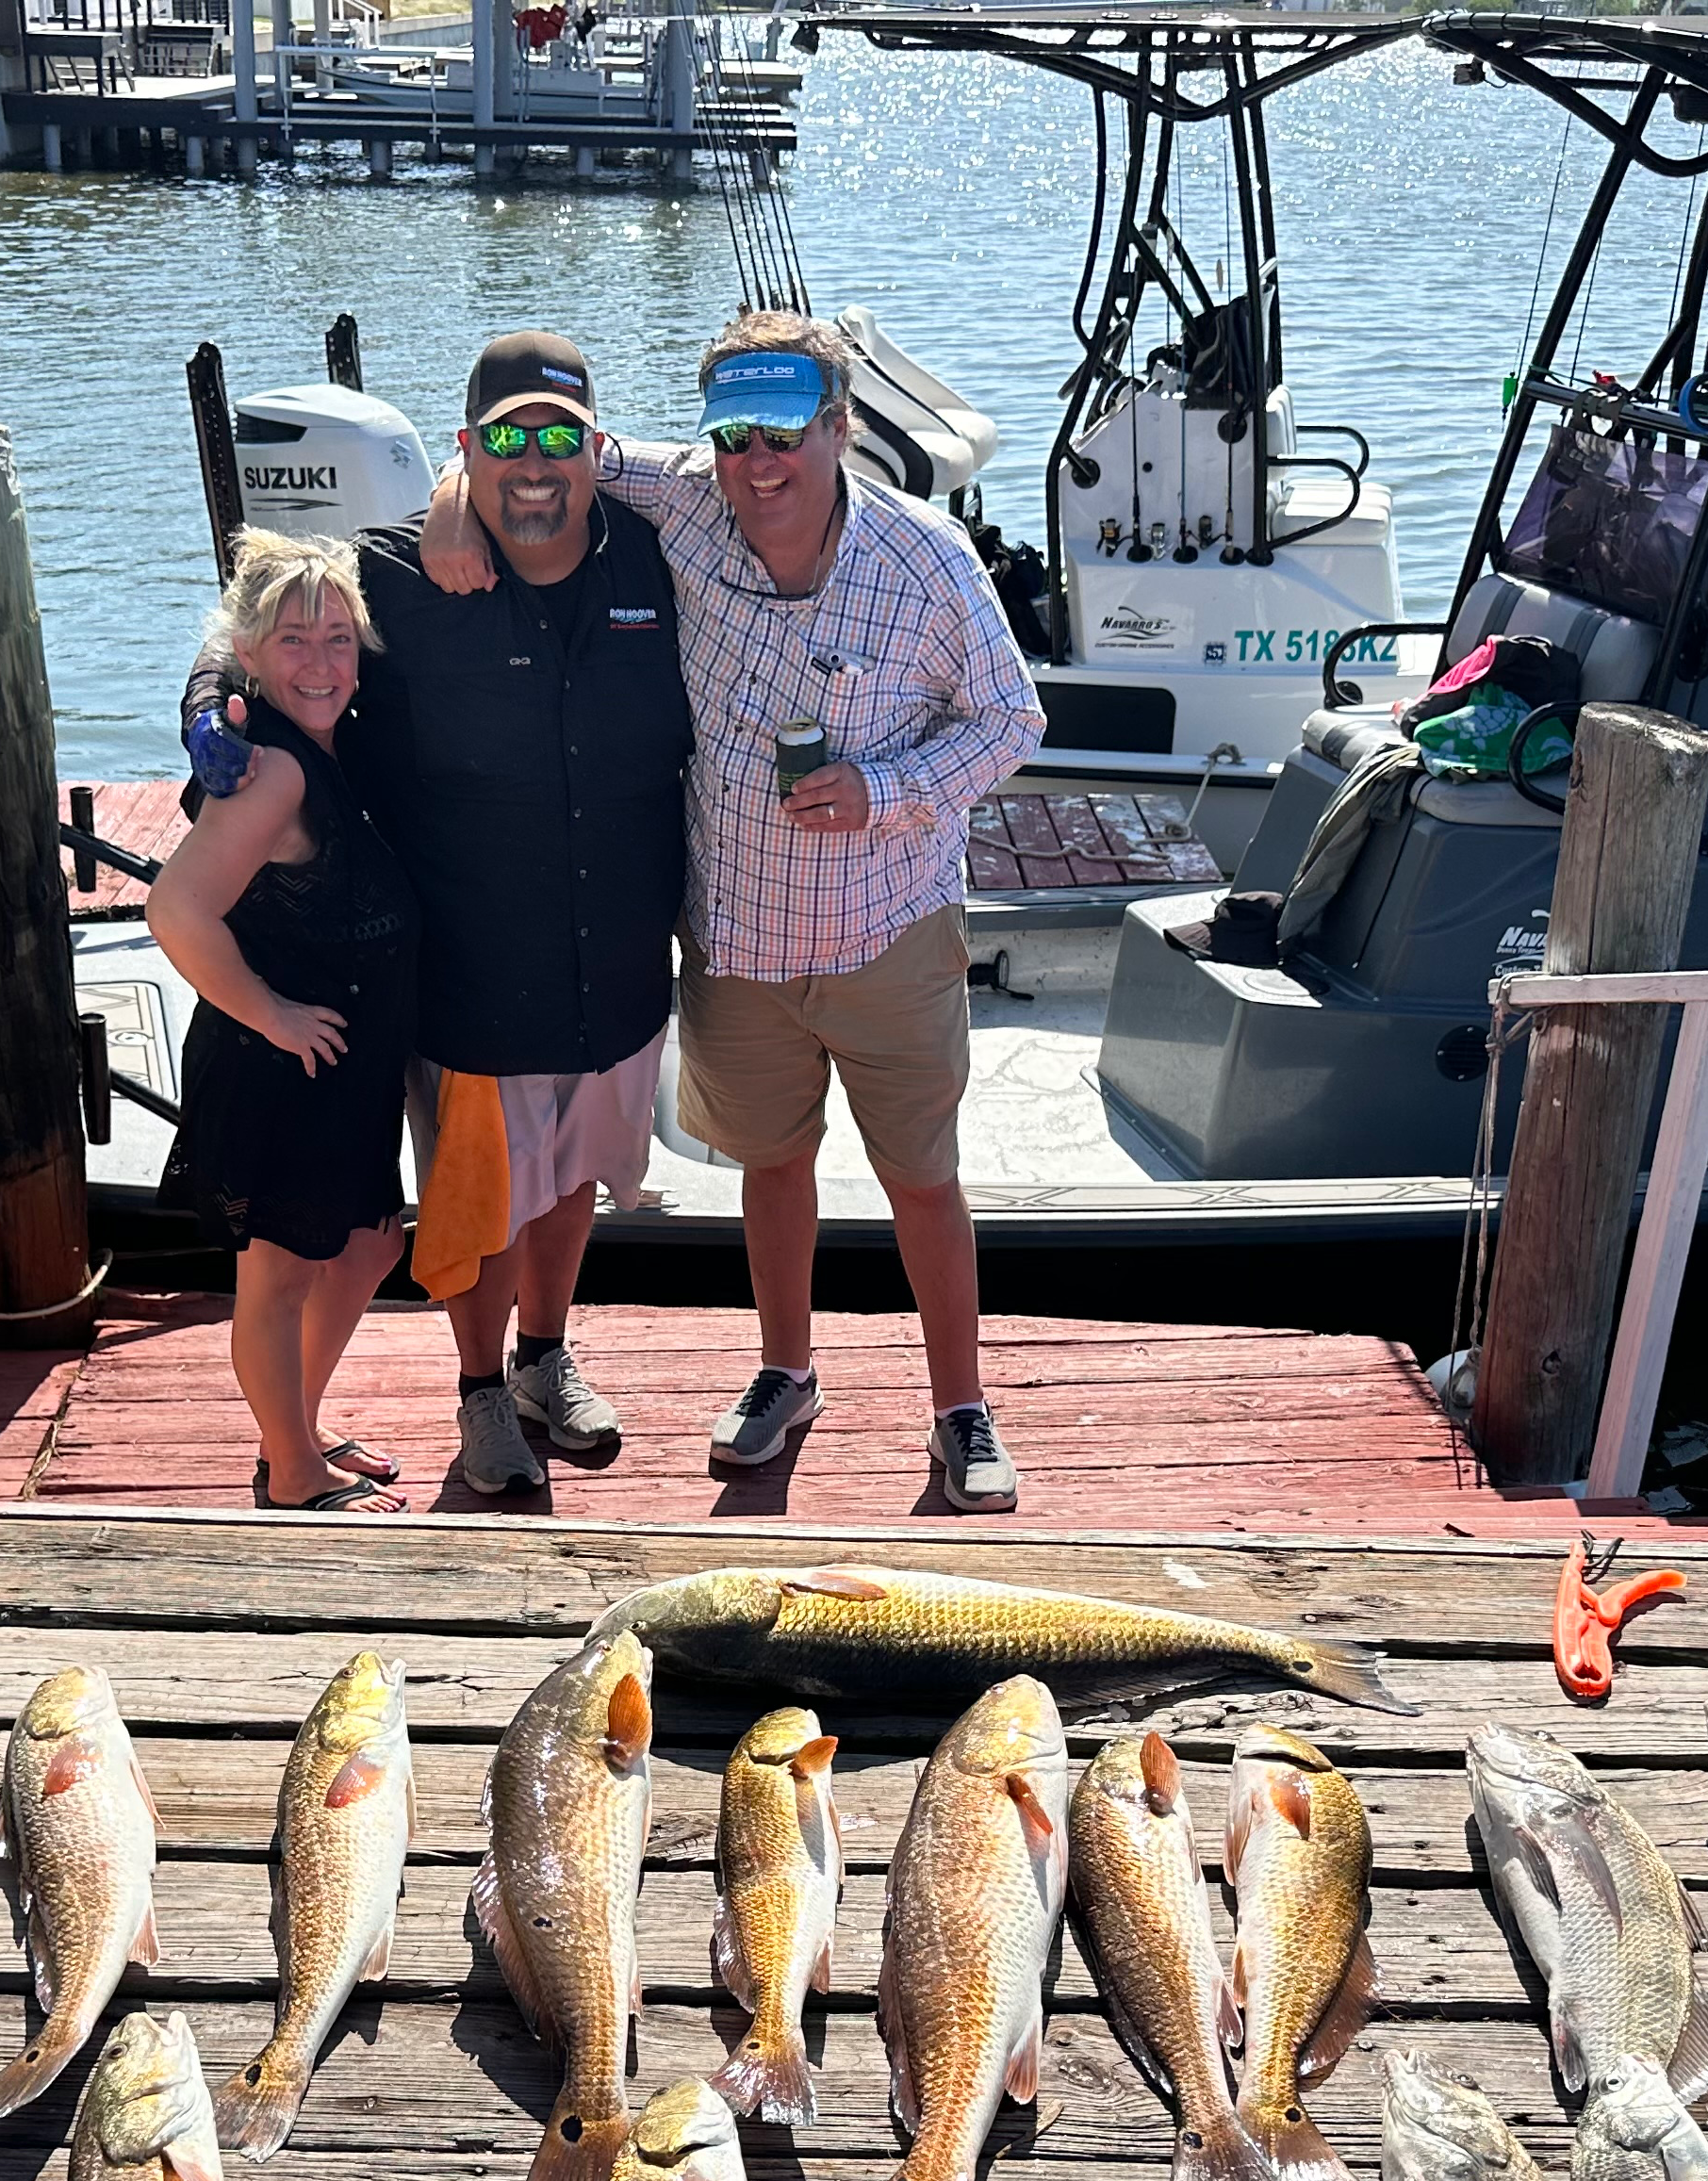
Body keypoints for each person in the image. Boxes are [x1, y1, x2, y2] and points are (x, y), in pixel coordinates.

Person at [423, 309, 1044, 1510]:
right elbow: (544, 451)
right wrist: (455, 491)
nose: (758, 463)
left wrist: (888, 790)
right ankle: (785, 1372)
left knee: (923, 1177)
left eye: (787, 433)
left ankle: (961, 1409)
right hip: (739, 940)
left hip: (889, 930)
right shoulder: (686, 503)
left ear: (841, 427)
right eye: (734, 433)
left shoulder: (927, 559)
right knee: (775, 1166)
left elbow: (1012, 722)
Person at [187, 331, 693, 1498]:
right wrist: (210, 707)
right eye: (504, 439)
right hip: (472, 970)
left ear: (595, 450)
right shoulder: (403, 574)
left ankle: (545, 1362)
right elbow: (260, 635)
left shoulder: (657, 561)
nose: (534, 463)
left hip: (617, 958)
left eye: (558, 438)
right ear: (464, 447)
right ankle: (478, 1394)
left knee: (571, 1183)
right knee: (480, 1206)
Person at [150, 532, 417, 1514]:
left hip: (345, 1064)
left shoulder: (339, 742)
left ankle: (292, 1425)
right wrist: (270, 1014)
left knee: (372, 1243)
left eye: (338, 639)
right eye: (293, 640)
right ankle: (291, 1472)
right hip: (281, 1064)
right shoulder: (271, 773)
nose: (320, 661)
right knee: (279, 1277)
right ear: (251, 657)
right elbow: (175, 911)